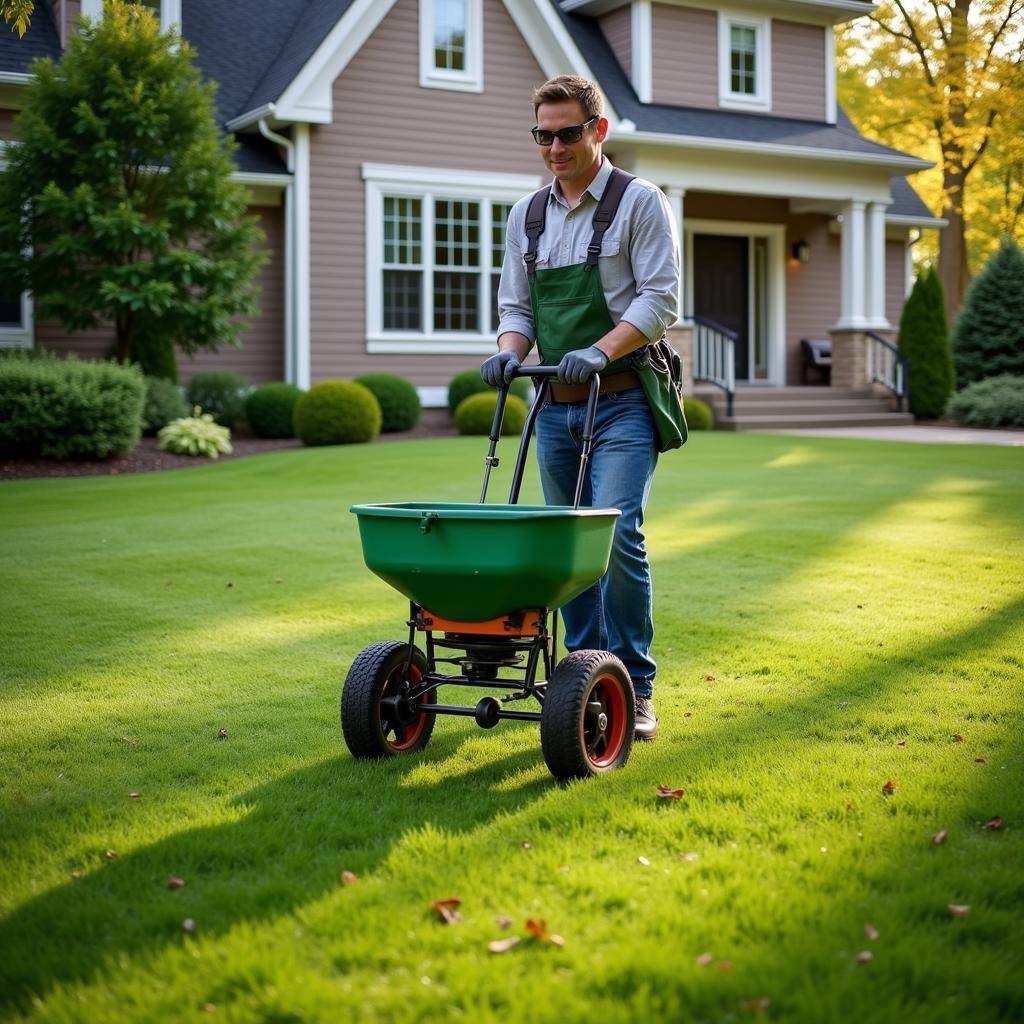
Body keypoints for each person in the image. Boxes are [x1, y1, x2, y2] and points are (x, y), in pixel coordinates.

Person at [481, 74, 678, 741]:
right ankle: (583, 680)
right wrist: (510, 351)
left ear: (598, 130)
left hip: (622, 402)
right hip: (554, 409)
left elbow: (658, 302)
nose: (555, 146)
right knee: (568, 548)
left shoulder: (640, 203)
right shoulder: (527, 215)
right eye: (544, 135)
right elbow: (516, 308)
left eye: (568, 133)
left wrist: (600, 349)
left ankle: (635, 685)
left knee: (618, 535)